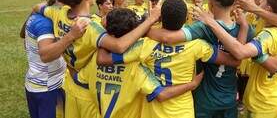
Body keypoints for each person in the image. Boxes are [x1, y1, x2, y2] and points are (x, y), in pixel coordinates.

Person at [34, 0, 161, 118]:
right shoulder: (90, 28)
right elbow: (119, 45)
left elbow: (38, 7)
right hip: (86, 91)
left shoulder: (59, 13)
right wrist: (151, 20)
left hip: (69, 84)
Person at [98, 0, 242, 118]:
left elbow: (104, 59)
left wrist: (105, 32)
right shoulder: (198, 46)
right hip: (182, 111)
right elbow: (234, 60)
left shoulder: (144, 44)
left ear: (160, 18)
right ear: (186, 19)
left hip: (153, 111)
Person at [147, 0, 254, 118]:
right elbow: (240, 55)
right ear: (234, 2)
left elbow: (168, 37)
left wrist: (145, 28)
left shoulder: (202, 27)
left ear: (209, 2)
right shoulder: (246, 30)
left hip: (205, 98)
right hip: (229, 97)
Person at [76, 8, 205, 118]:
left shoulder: (93, 60)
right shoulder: (137, 68)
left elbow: (78, 78)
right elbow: (161, 94)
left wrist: (104, 34)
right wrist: (192, 84)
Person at [23, 0, 87, 118]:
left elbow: (23, 39)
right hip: (46, 87)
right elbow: (46, 55)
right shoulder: (45, 23)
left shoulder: (36, 17)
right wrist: (71, 35)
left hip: (41, 81)